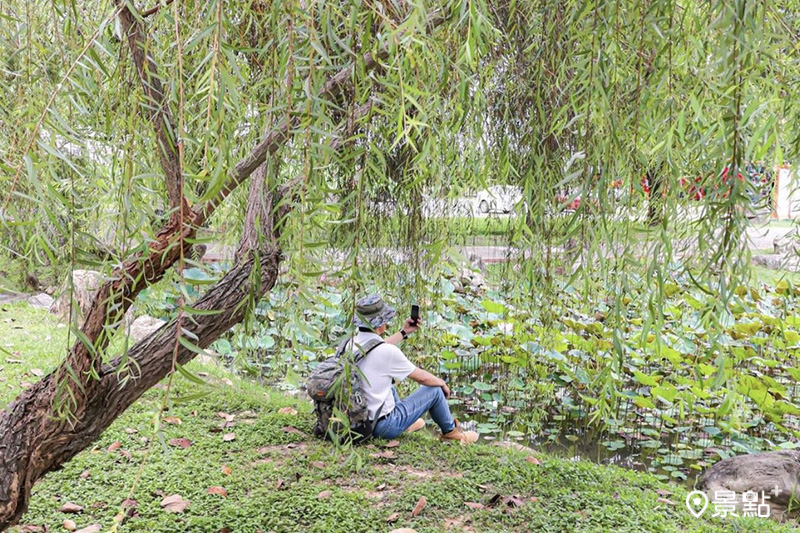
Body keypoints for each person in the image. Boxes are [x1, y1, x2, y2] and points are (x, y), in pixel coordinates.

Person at [348, 294, 478, 444]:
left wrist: (404, 332)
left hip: (358, 422)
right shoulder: (387, 352)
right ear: (381, 323)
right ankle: (451, 432)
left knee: (386, 384)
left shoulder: (349, 344)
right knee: (434, 390)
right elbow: (422, 377)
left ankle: (407, 423)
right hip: (383, 426)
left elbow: (374, 347)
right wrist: (441, 383)